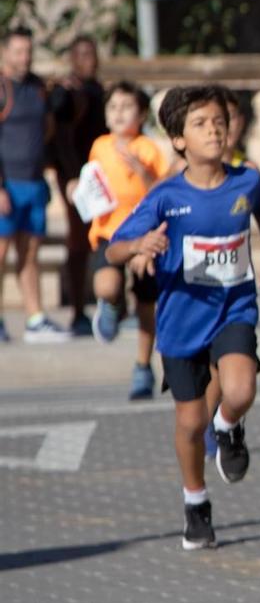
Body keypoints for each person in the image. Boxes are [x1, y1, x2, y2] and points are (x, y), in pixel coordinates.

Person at [107, 84, 260, 551]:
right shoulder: (166, 197)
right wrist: (139, 247)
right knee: (190, 423)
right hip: (181, 321)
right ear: (179, 139)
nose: (214, 131)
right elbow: (115, 247)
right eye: (201, 124)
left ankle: (229, 425)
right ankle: (195, 502)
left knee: (240, 388)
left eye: (219, 122)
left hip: (234, 307)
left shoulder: (246, 182)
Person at [73, 81, 171, 396]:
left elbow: (161, 192)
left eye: (126, 107)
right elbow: (93, 184)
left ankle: (143, 367)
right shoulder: (100, 145)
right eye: (113, 107)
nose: (119, 113)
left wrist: (142, 172)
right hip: (109, 232)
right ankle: (113, 305)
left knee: (146, 304)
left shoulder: (148, 148)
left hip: (145, 236)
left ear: (141, 113)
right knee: (106, 285)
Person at [1, 27, 68, 344]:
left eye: (28, 51)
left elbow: (48, 129)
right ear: (4, 53)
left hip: (33, 181)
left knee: (30, 255)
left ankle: (34, 317)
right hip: (6, 183)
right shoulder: (2, 88)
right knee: (0, 253)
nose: (24, 57)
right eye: (17, 51)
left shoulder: (38, 88)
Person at [48, 34, 107, 336]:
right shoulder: (66, 93)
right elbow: (59, 134)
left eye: (92, 54)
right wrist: (71, 176)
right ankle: (78, 311)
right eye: (82, 55)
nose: (88, 60)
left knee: (107, 233)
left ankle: (109, 301)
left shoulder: (97, 90)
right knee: (79, 239)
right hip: (75, 175)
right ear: (72, 58)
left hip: (101, 172)